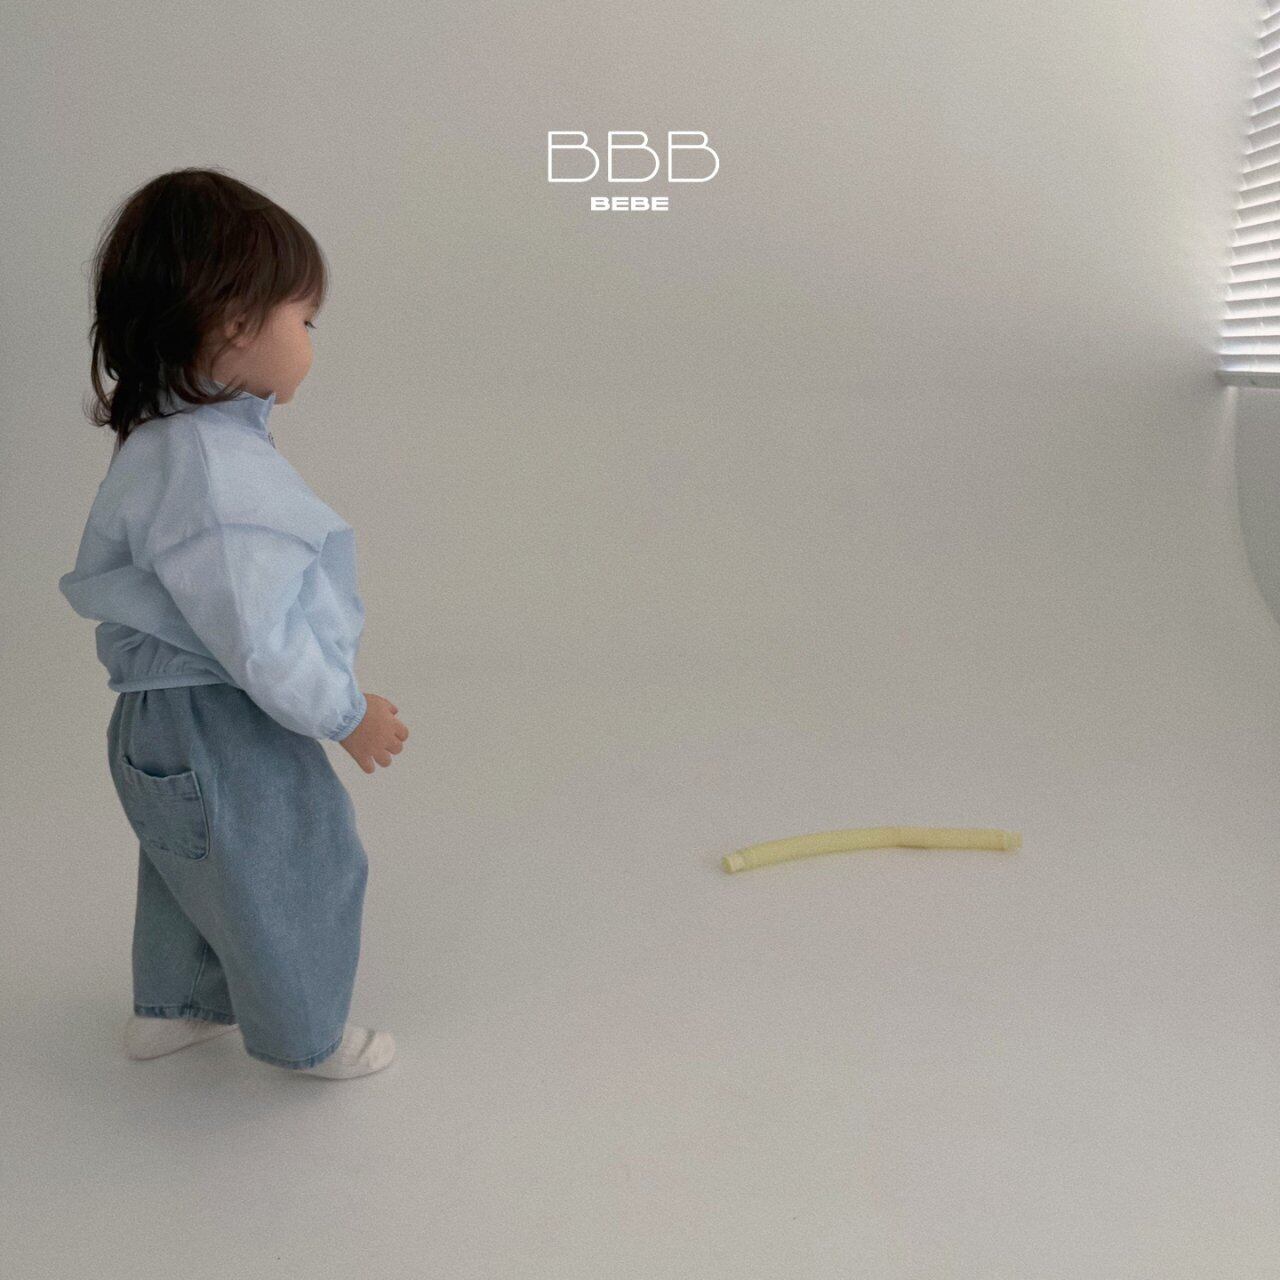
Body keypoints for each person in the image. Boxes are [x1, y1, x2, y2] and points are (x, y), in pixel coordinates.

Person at [58, 168, 408, 1079]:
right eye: (305, 320)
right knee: (296, 866)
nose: (311, 342)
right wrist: (344, 713)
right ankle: (305, 1038)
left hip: (158, 717)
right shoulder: (216, 471)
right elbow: (257, 635)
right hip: (222, 717)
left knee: (193, 864)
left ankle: (173, 1008)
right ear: (233, 323)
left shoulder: (163, 443)